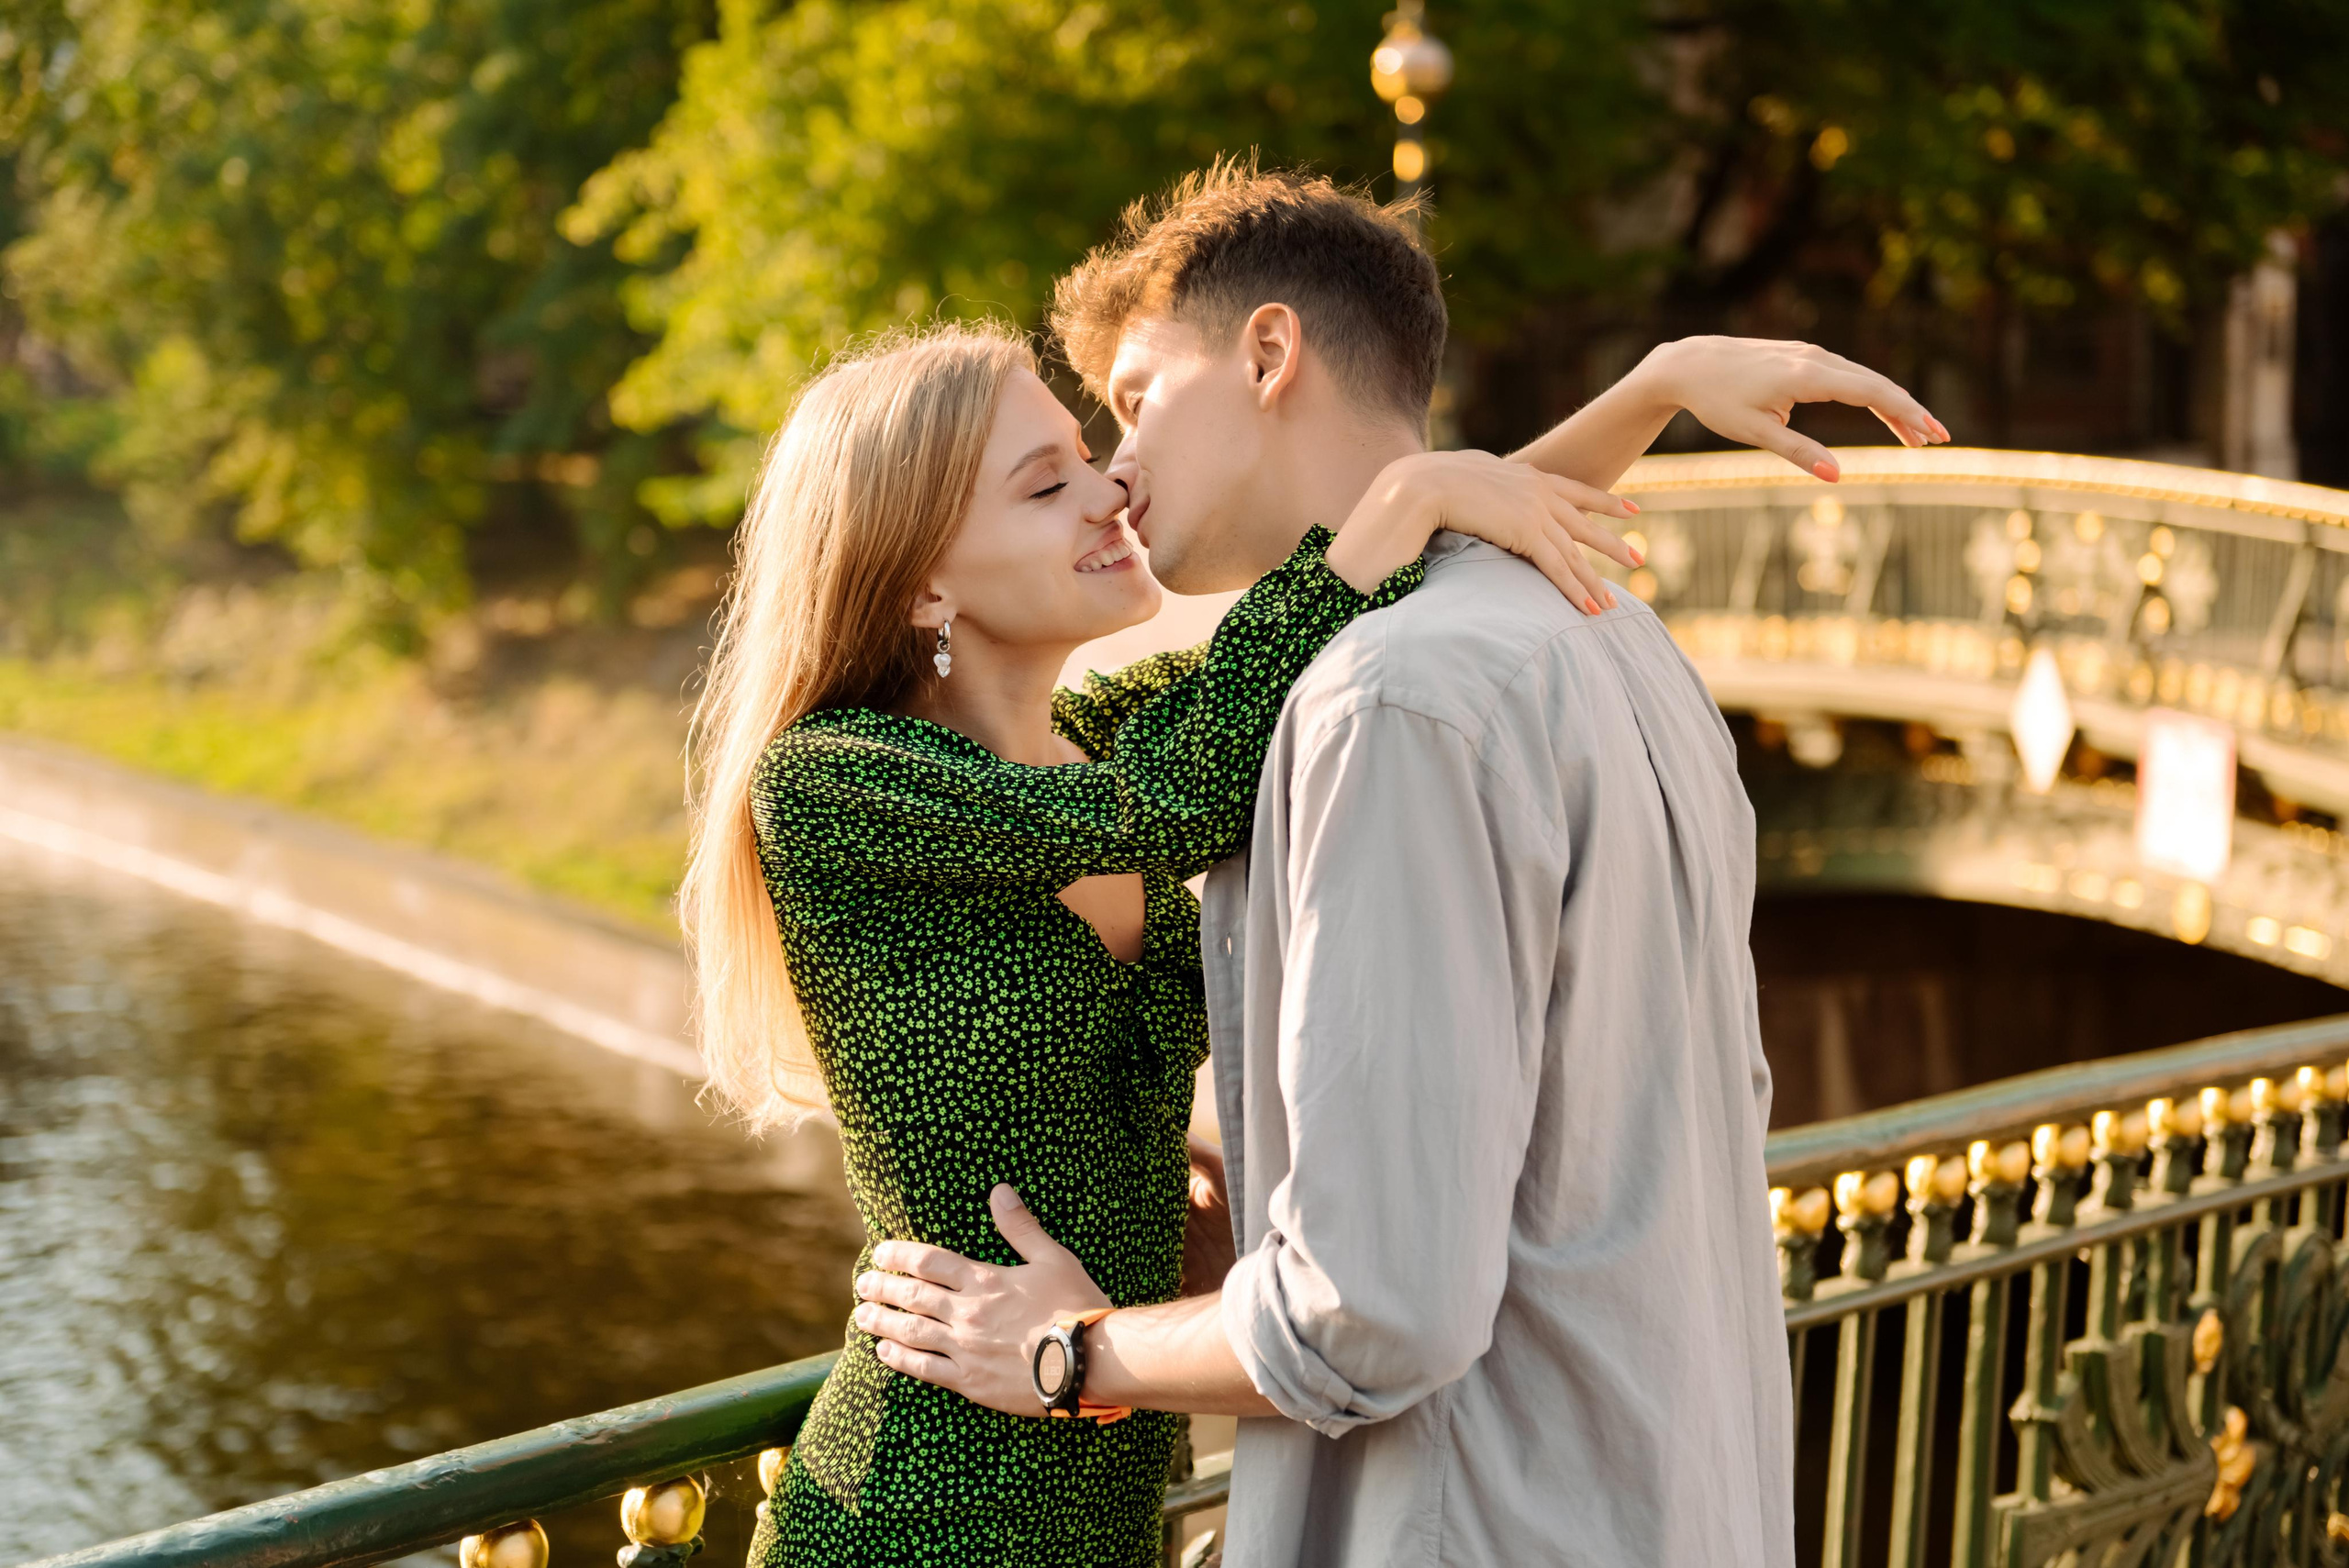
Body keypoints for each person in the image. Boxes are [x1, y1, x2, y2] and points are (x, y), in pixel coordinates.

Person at [849, 165, 1947, 1567]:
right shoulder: (1610, 632)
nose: (1118, 472)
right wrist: (1654, 384)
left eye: (1134, 400)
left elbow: (1374, 1306)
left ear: (1266, 353)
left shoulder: (1382, 707)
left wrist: (1072, 1349)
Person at [681, 316, 1653, 1565]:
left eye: (1087, 458)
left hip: (1107, 1491)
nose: (1110, 493)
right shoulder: (838, 783)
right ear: (923, 582)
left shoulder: (1101, 737)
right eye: (1049, 484)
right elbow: (1185, 787)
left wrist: (1658, 386)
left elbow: (1411, 570)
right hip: (908, 1516)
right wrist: (1408, 490)